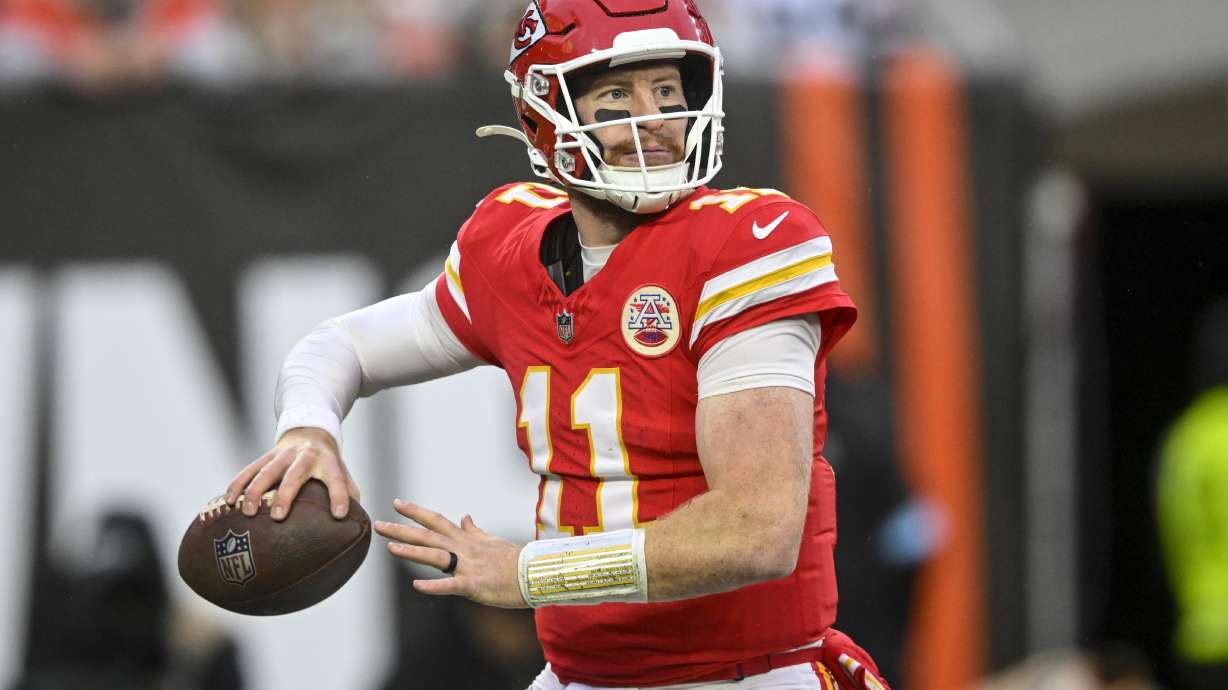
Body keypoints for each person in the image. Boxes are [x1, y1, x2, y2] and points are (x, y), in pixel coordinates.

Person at [223, 1, 891, 688]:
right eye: (615, 95)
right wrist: (307, 430)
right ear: (544, 116)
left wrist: (529, 574)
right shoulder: (509, 250)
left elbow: (757, 531)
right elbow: (342, 347)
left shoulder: (747, 245)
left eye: (666, 89)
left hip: (742, 674)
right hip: (582, 674)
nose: (653, 116)